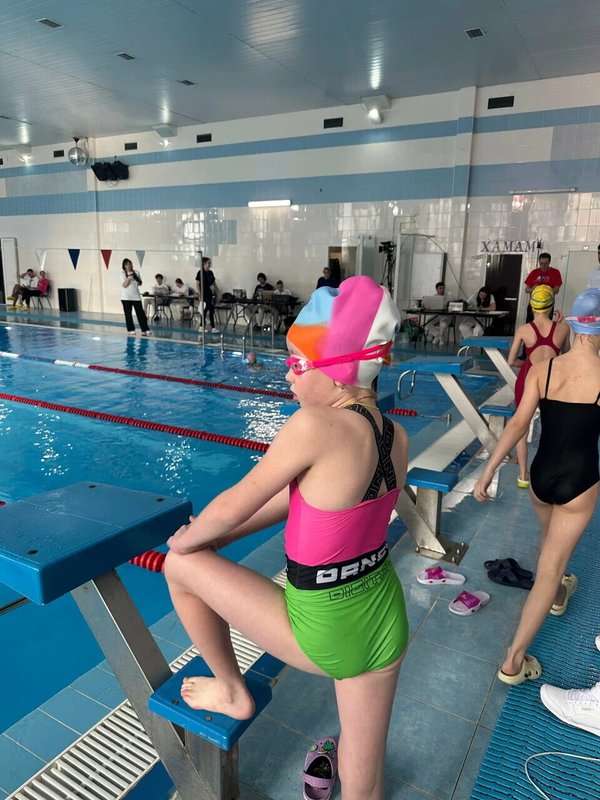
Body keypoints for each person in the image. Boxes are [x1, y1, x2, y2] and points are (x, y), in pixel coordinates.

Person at [164, 276, 409, 800]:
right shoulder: (395, 434)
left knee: (178, 569)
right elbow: (303, 502)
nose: (287, 373)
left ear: (338, 370)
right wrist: (215, 539)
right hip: (385, 617)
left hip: (325, 628)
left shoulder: (314, 425)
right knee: (364, 780)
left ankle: (233, 691)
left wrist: (186, 543)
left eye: (297, 363)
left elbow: (235, 501)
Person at [474, 289, 600, 686]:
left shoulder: (543, 369)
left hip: (541, 478)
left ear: (574, 326)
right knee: (551, 568)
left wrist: (488, 471)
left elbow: (517, 425)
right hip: (580, 482)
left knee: (550, 547)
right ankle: (514, 661)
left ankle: (558, 594)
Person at [508, 284, 570, 488]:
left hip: (528, 379)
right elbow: (566, 357)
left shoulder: (524, 330)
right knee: (553, 428)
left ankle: (523, 475)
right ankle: (550, 473)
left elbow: (511, 361)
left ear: (531, 305)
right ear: (552, 305)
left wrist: (528, 364)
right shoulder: (563, 329)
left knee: (521, 426)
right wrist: (558, 325)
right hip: (552, 381)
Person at [121, 258, 151, 335]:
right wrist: (128, 278)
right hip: (126, 297)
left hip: (136, 296)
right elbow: (125, 285)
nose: (128, 266)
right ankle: (130, 329)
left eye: (129, 264)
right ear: (124, 266)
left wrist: (134, 277)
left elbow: (140, 283)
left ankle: (145, 329)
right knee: (128, 314)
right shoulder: (122, 273)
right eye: (126, 264)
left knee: (140, 314)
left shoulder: (136, 272)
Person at [196, 257, 218, 332]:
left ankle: (213, 327)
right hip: (204, 294)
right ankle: (201, 327)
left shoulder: (210, 273)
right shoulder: (200, 272)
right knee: (204, 311)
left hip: (210, 294)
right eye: (208, 263)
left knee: (211, 310)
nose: (210, 264)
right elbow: (197, 284)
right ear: (204, 264)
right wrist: (200, 294)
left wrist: (218, 291)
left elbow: (214, 283)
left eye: (210, 263)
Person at [429, 281, 453, 345]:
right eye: (440, 288)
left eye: (443, 288)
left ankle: (440, 338)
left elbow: (451, 307)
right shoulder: (434, 297)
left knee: (443, 325)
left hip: (446, 316)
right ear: (436, 289)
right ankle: (438, 336)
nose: (442, 290)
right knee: (427, 323)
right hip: (437, 316)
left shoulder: (448, 297)